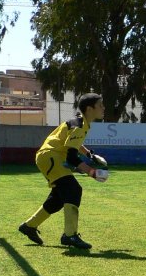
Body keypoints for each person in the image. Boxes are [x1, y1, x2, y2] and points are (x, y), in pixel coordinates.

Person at [17, 93, 107, 250]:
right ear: (89, 108)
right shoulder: (80, 125)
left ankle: (29, 226)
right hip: (51, 157)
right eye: (100, 105)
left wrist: (89, 154)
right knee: (73, 189)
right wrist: (92, 173)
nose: (103, 108)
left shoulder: (80, 122)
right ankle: (69, 235)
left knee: (59, 198)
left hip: (49, 156)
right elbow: (72, 158)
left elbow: (72, 144)